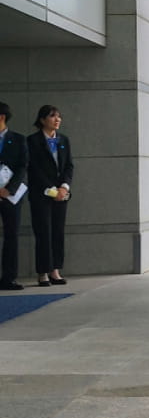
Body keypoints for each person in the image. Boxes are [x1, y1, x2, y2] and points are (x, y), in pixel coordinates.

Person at [27, 105, 73, 287]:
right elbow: (33, 169)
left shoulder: (64, 140)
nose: (57, 120)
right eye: (53, 116)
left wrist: (64, 187)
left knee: (57, 232)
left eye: (59, 117)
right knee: (43, 232)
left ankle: (55, 270)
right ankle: (43, 272)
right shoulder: (32, 141)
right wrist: (51, 188)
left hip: (61, 194)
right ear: (42, 120)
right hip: (41, 194)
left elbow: (69, 166)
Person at [0, 101, 28, 291]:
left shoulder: (18, 139)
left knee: (11, 235)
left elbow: (23, 166)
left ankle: (9, 278)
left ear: (2, 117)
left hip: (11, 195)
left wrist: (9, 189)